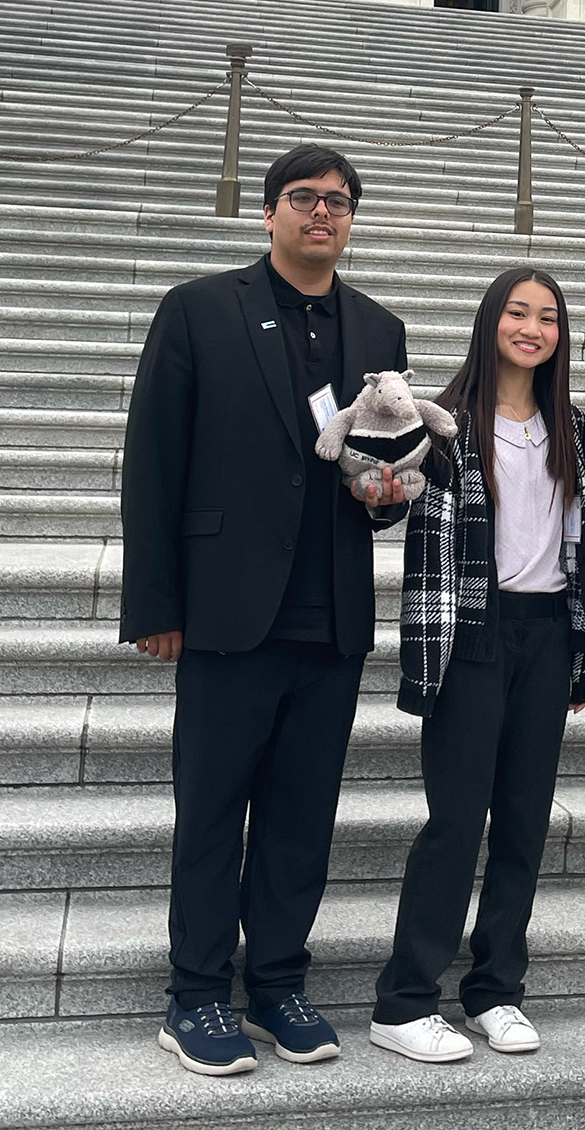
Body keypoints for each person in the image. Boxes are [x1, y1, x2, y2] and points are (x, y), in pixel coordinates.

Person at [120, 143, 412, 1077]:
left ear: (352, 218)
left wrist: (390, 495)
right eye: (303, 199)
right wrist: (156, 604)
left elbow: (392, 466)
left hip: (328, 619)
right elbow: (153, 463)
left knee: (301, 815)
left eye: (338, 201)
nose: (321, 214)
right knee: (211, 809)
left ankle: (278, 981)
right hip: (225, 613)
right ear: (269, 214)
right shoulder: (202, 309)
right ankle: (196, 994)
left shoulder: (379, 329)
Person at [370, 268, 585, 1064]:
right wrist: (377, 474)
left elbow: (580, 549)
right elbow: (387, 499)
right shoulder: (443, 423)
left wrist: (579, 654)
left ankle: (496, 990)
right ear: (490, 321)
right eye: (518, 313)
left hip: (546, 631)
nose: (532, 328)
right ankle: (404, 1000)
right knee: (457, 822)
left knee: (525, 824)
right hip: (469, 631)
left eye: (548, 318)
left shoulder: (569, 425)